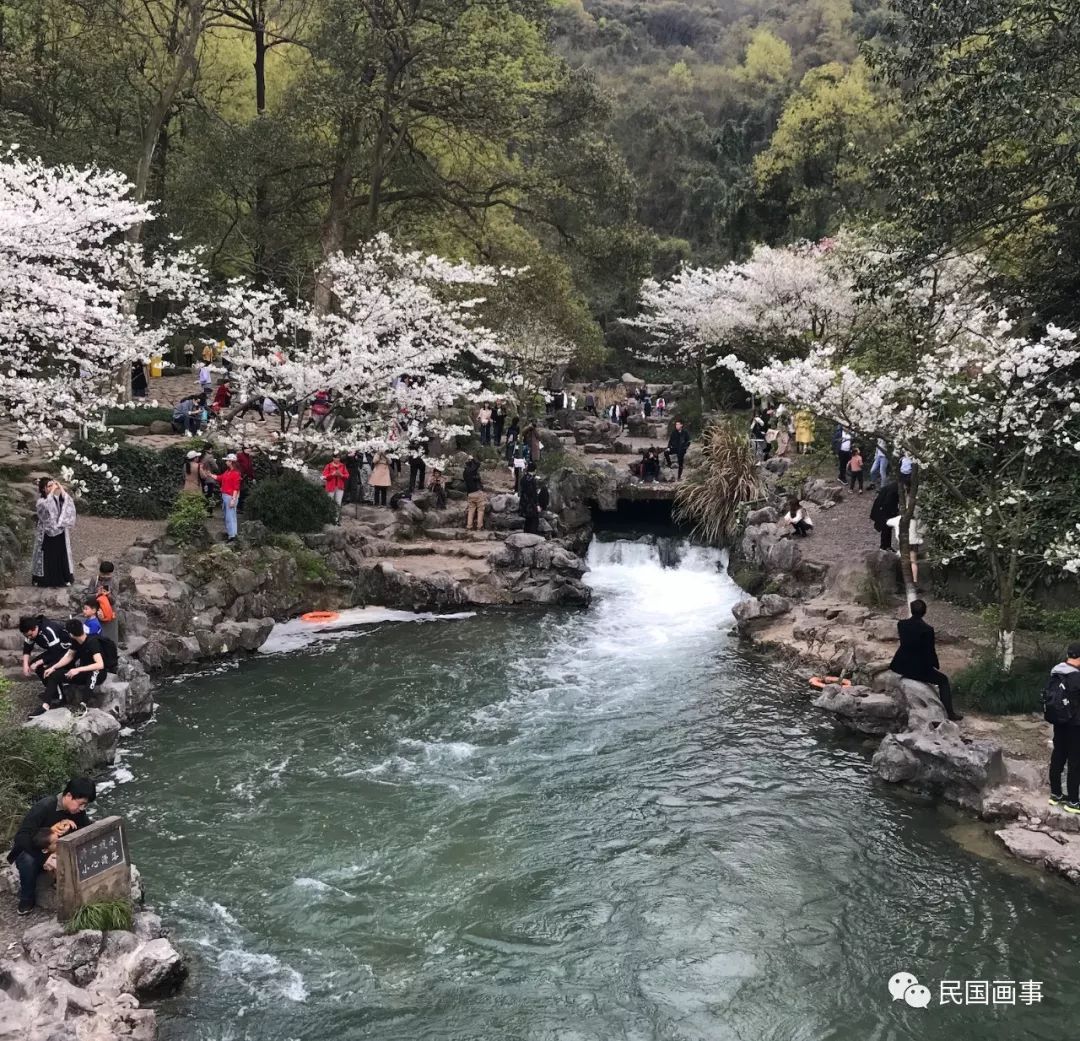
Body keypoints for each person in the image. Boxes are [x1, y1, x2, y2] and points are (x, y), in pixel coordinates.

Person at [7, 778, 96, 914]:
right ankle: (27, 899)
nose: (82, 809)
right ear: (69, 796)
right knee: (27, 860)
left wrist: (70, 825)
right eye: (81, 804)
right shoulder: (44, 807)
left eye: (85, 805)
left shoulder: (77, 812)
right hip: (33, 851)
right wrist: (44, 858)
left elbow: (86, 828)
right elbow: (21, 837)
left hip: (56, 850)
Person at [889, 599, 963, 721]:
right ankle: (950, 713)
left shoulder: (901, 624)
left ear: (911, 610)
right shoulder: (927, 629)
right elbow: (930, 651)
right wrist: (935, 665)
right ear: (925, 612)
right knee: (943, 680)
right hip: (917, 669)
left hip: (901, 665)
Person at [1043, 645, 1080, 812]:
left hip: (1059, 722)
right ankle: (1073, 802)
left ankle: (1055, 795)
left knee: (1058, 755)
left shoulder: (1056, 672)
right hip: (1075, 724)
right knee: (1075, 761)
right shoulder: (1077, 677)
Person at [20, 615, 74, 715]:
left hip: (66, 651)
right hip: (54, 650)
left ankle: (60, 698)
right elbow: (27, 648)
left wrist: (39, 662)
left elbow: (56, 652)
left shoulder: (49, 630)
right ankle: (52, 692)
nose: (29, 638)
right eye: (27, 636)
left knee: (49, 670)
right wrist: (25, 665)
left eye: (30, 635)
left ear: (35, 628)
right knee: (35, 665)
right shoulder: (30, 631)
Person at [53, 618, 110, 708]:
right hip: (84, 671)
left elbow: (100, 664)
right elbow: (69, 656)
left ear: (71, 634)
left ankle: (83, 705)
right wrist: (53, 667)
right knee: (55, 674)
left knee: (94, 672)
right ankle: (49, 702)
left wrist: (77, 669)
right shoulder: (75, 641)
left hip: (99, 672)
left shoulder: (92, 642)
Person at [31, 478, 76, 588]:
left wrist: (60, 487)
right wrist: (52, 492)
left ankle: (63, 578)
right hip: (46, 533)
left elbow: (67, 501)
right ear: (43, 489)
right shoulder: (41, 501)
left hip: (59, 530)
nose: (52, 488)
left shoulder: (55, 498)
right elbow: (47, 508)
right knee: (47, 555)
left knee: (60, 554)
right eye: (49, 486)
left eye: (52, 485)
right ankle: (45, 579)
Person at [888, 506, 925, 589]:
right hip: (914, 543)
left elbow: (888, 522)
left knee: (903, 561)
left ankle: (903, 581)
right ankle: (915, 581)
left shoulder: (898, 519)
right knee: (913, 562)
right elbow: (921, 530)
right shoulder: (915, 521)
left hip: (903, 543)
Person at [209, 455, 242, 541]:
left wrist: (233, 499)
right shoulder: (228, 472)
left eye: (227, 461)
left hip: (230, 496)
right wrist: (210, 475)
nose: (226, 462)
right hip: (226, 495)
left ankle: (232, 535)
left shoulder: (236, 473)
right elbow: (220, 478)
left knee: (230, 516)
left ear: (231, 462)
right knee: (229, 516)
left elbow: (236, 488)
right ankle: (232, 534)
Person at [871, 481, 900, 552]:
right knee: (885, 528)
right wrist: (895, 511)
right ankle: (883, 547)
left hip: (884, 509)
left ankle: (887, 546)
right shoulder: (894, 490)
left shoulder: (894, 486)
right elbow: (887, 503)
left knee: (888, 529)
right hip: (883, 510)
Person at [518, 462, 542, 534]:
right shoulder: (532, 480)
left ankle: (526, 534)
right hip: (531, 503)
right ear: (534, 470)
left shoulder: (523, 478)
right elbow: (534, 494)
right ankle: (532, 535)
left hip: (523, 502)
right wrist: (537, 505)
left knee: (527, 520)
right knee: (534, 519)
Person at [322, 452, 349, 517]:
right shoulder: (328, 466)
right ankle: (329, 517)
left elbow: (347, 476)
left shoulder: (343, 466)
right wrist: (332, 474)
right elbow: (324, 476)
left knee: (338, 503)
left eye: (338, 458)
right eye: (336, 458)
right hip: (330, 487)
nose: (337, 459)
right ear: (333, 458)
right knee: (329, 502)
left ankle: (336, 518)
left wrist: (341, 475)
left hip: (340, 487)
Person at [464, 455, 486, 530]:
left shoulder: (465, 472)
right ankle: (479, 527)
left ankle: (469, 526)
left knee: (471, 510)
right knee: (480, 510)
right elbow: (478, 464)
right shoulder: (472, 470)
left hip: (470, 493)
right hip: (477, 492)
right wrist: (472, 458)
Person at [198, 448, 220, 515]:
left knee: (204, 494)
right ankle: (209, 512)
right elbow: (216, 468)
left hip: (201, 478)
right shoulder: (209, 457)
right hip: (209, 478)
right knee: (209, 495)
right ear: (209, 449)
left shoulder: (199, 456)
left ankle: (202, 510)